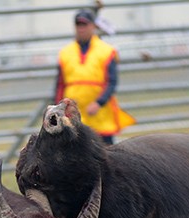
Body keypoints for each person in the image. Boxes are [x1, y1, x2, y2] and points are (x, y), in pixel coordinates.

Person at [54, 10, 135, 144]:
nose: (81, 29)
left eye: (84, 25)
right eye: (78, 25)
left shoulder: (106, 51)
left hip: (100, 114)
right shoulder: (65, 53)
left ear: (93, 26)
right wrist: (58, 109)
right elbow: (60, 85)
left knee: (104, 153)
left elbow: (112, 82)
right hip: (73, 113)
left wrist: (99, 103)